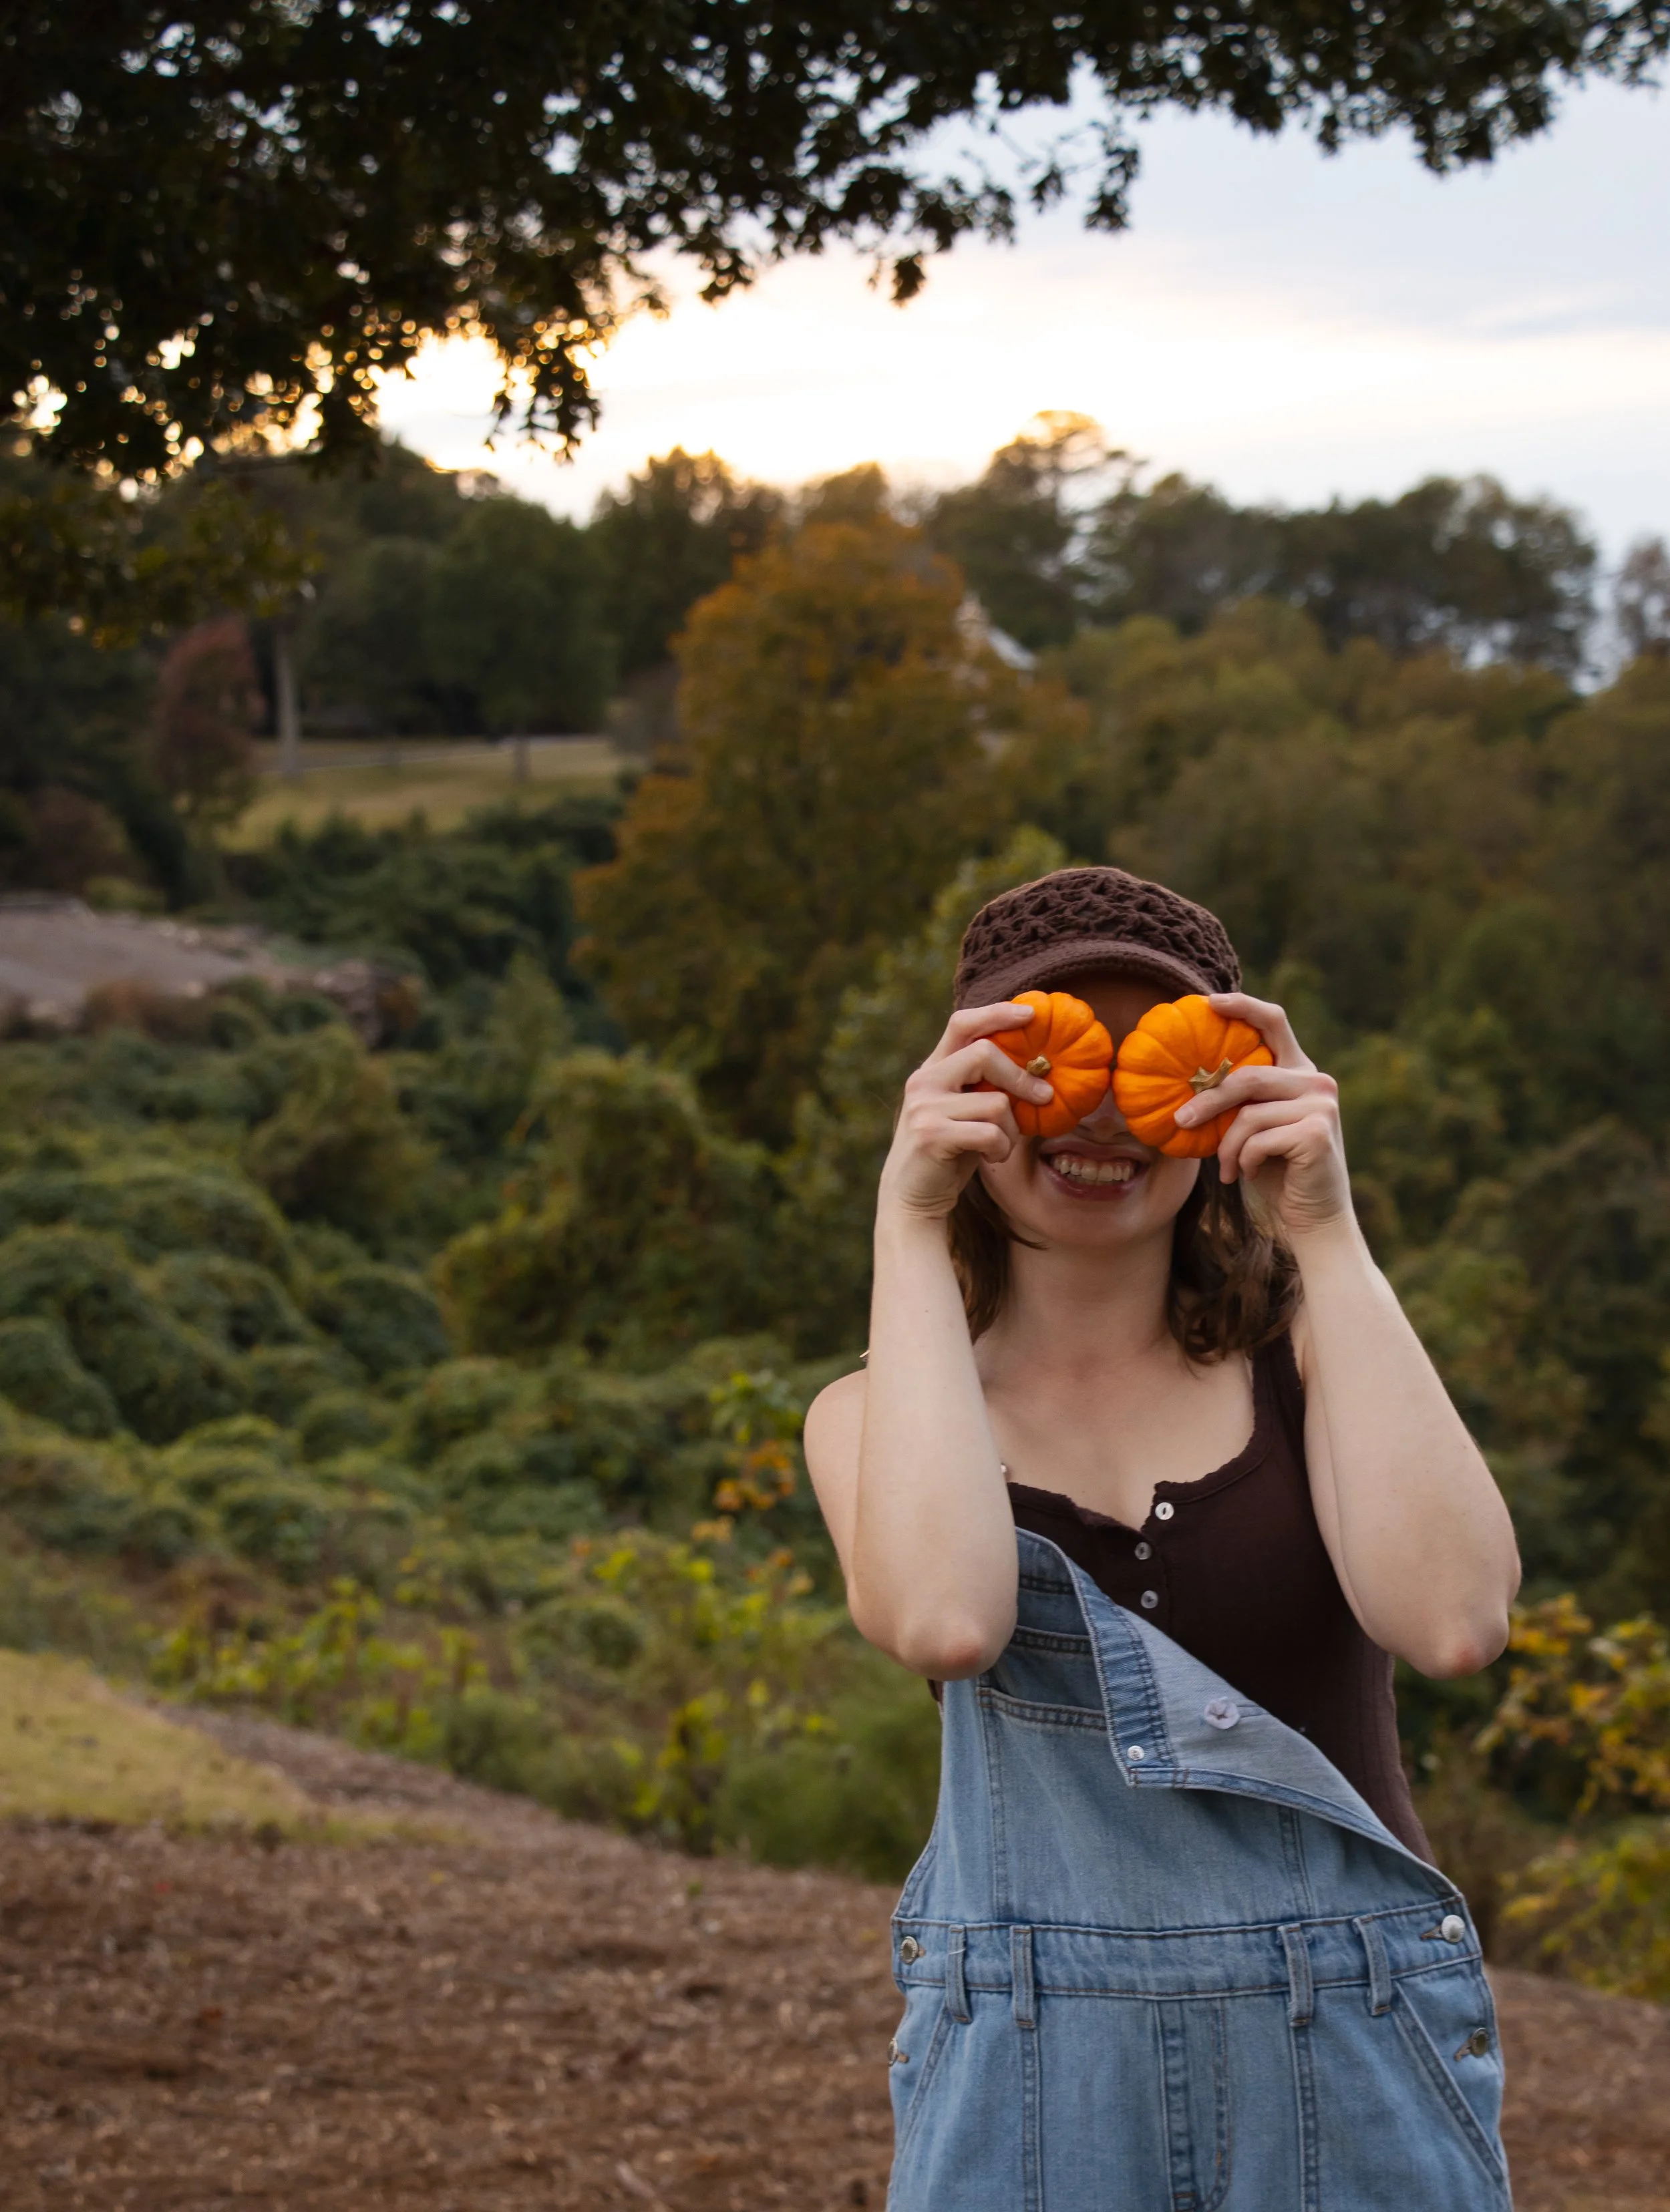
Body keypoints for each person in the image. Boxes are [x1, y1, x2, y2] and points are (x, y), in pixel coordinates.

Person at [804, 865, 1521, 2211]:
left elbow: (1453, 1622)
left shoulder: (1311, 1361)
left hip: (1350, 2057)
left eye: (1150, 1062)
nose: (1094, 1113)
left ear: (1219, 1092)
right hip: (1028, 2087)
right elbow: (947, 1619)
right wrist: (905, 1220)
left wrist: (1321, 1226)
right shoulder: (872, 1414)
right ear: (964, 1087)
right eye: (1047, 1056)